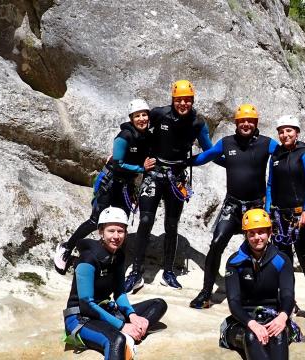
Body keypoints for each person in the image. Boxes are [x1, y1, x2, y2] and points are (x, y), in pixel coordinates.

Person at [187, 104, 305, 309]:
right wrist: (179, 162)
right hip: (232, 205)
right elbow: (206, 156)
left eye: (250, 121)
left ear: (256, 123)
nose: (246, 124)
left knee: (264, 251)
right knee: (217, 242)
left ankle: (273, 297)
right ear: (236, 123)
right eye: (242, 121)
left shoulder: (267, 144)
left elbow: (289, 151)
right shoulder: (226, 143)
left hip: (257, 206)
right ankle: (206, 293)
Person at [122, 80, 220, 292]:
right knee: (146, 220)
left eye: (187, 100)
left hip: (176, 177)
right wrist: (124, 152)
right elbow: (137, 132)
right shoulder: (160, 114)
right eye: (179, 100)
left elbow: (209, 150)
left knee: (172, 224)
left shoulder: (198, 123)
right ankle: (136, 272)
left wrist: (191, 161)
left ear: (192, 101)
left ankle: (168, 272)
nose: (183, 103)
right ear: (173, 100)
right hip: (155, 173)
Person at [54, 99, 155, 275]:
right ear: (131, 118)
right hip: (111, 183)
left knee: (120, 222)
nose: (141, 119)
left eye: (144, 114)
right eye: (137, 116)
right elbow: (117, 164)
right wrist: (141, 168)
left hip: (126, 186)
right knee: (96, 220)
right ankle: (66, 248)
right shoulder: (125, 136)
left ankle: (112, 259)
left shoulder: (147, 137)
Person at [62, 207, 167, 360]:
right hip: (80, 318)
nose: (116, 236)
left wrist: (132, 316)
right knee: (117, 340)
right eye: (111, 231)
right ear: (101, 232)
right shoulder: (87, 259)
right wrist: (122, 326)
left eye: (121, 231)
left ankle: (134, 333)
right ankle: (127, 335)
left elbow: (119, 293)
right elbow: (86, 304)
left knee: (158, 304)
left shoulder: (118, 256)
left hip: (105, 311)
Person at [220, 209, 297, 360]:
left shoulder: (282, 260)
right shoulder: (235, 262)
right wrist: (252, 323)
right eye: (252, 233)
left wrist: (282, 317)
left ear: (269, 233)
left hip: (274, 317)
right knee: (251, 336)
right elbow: (234, 302)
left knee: (279, 335)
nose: (257, 237)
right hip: (242, 321)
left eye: (261, 232)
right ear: (246, 235)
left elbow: (288, 295)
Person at [264, 114, 305, 315]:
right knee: (284, 263)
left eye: (289, 130)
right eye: (281, 131)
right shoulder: (276, 156)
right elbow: (270, 185)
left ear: (296, 133)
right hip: (279, 217)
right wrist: (267, 213)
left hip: (299, 217)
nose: (284, 134)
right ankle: (289, 305)